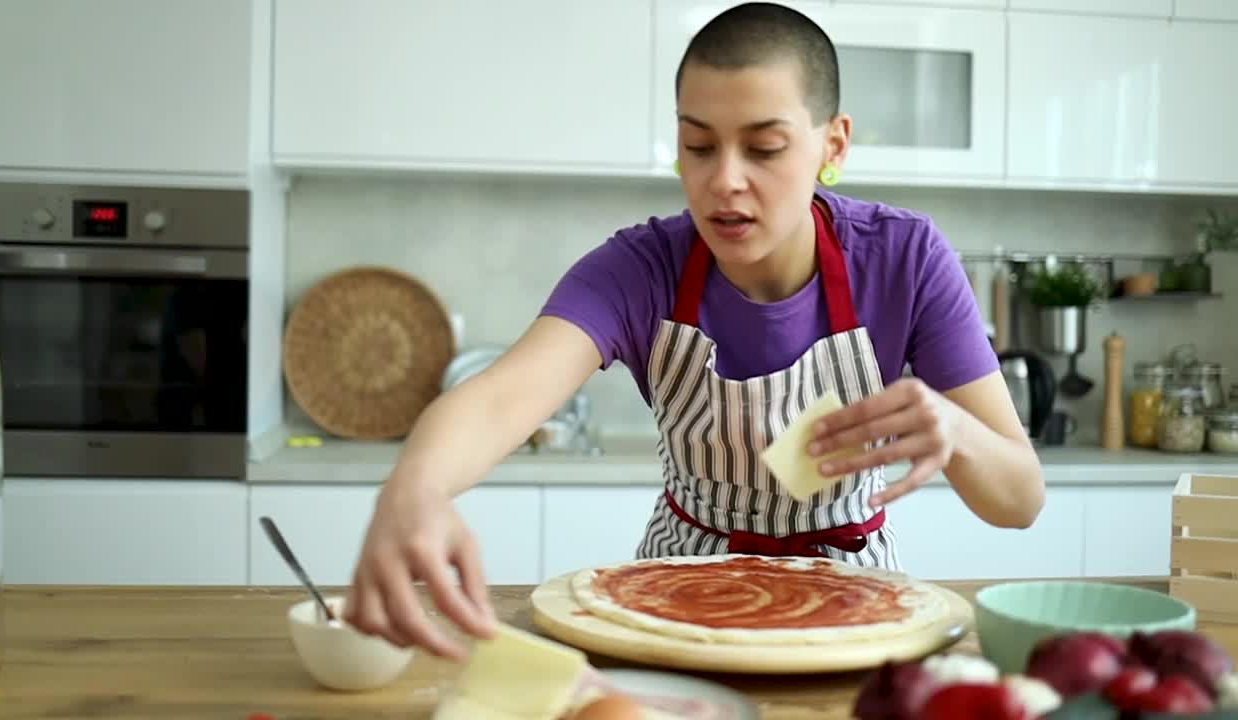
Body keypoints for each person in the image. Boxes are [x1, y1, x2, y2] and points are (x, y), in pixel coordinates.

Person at [342, 1, 1045, 662]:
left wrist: (953, 426)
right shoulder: (637, 270)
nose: (724, 181)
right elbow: (500, 399)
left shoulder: (906, 260)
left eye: (764, 149)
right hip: (673, 605)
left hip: (858, 611)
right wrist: (416, 488)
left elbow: (1019, 500)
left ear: (834, 144)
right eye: (698, 145)